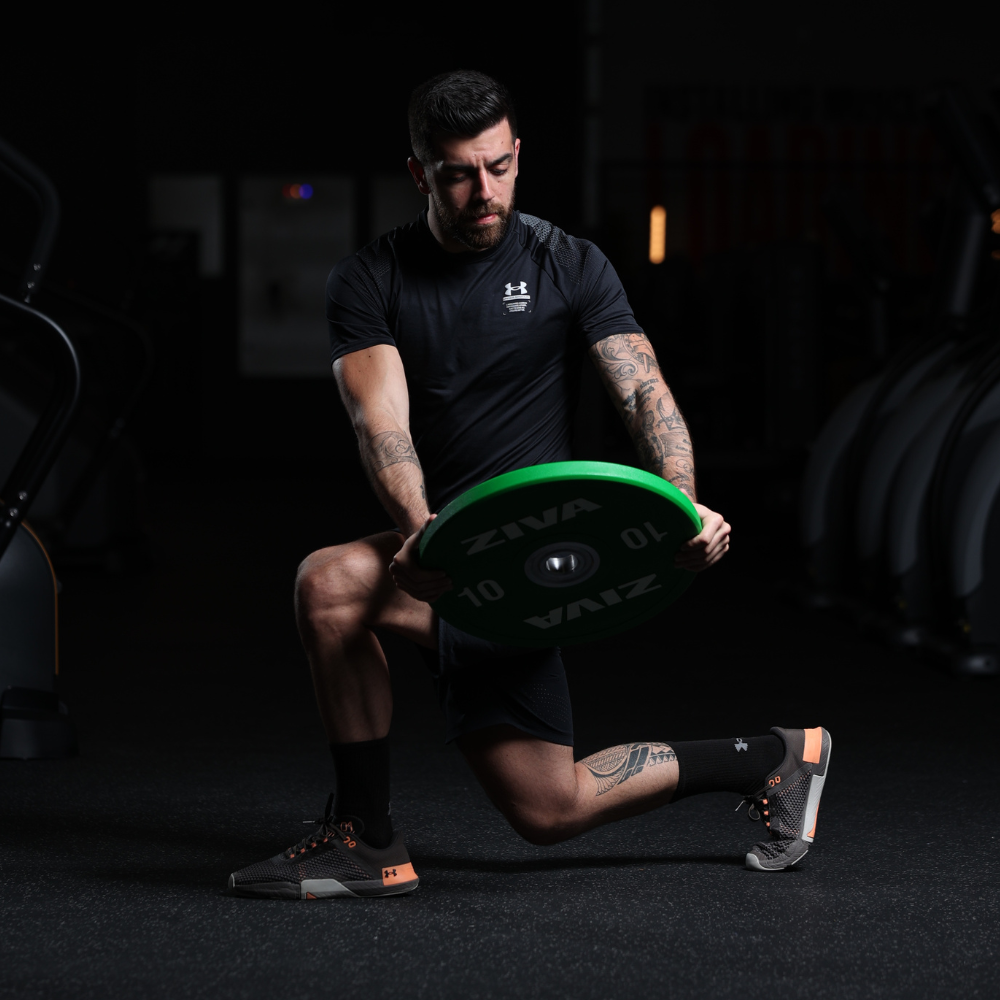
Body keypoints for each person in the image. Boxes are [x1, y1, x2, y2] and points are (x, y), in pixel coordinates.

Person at [228, 70, 831, 900]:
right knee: (328, 585)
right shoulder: (371, 279)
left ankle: (771, 756)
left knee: (551, 811)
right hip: (442, 554)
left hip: (527, 568)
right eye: (459, 173)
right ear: (419, 173)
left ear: (518, 156)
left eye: (500, 167)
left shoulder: (569, 264)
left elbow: (642, 392)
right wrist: (421, 536)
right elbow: (381, 423)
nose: (486, 191)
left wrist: (683, 503)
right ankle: (366, 839)